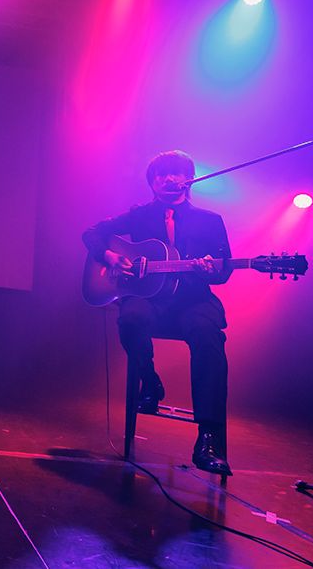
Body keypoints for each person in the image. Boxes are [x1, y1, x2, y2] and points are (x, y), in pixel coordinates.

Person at [82, 150, 234, 475]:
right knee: (130, 318)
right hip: (150, 298)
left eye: (175, 173)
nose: (167, 179)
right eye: (160, 175)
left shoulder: (210, 220)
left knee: (208, 335)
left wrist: (210, 270)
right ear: (152, 183)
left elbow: (223, 272)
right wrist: (108, 255)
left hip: (192, 300)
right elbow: (91, 233)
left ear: (189, 179)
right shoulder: (139, 215)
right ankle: (149, 382)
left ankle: (209, 438)